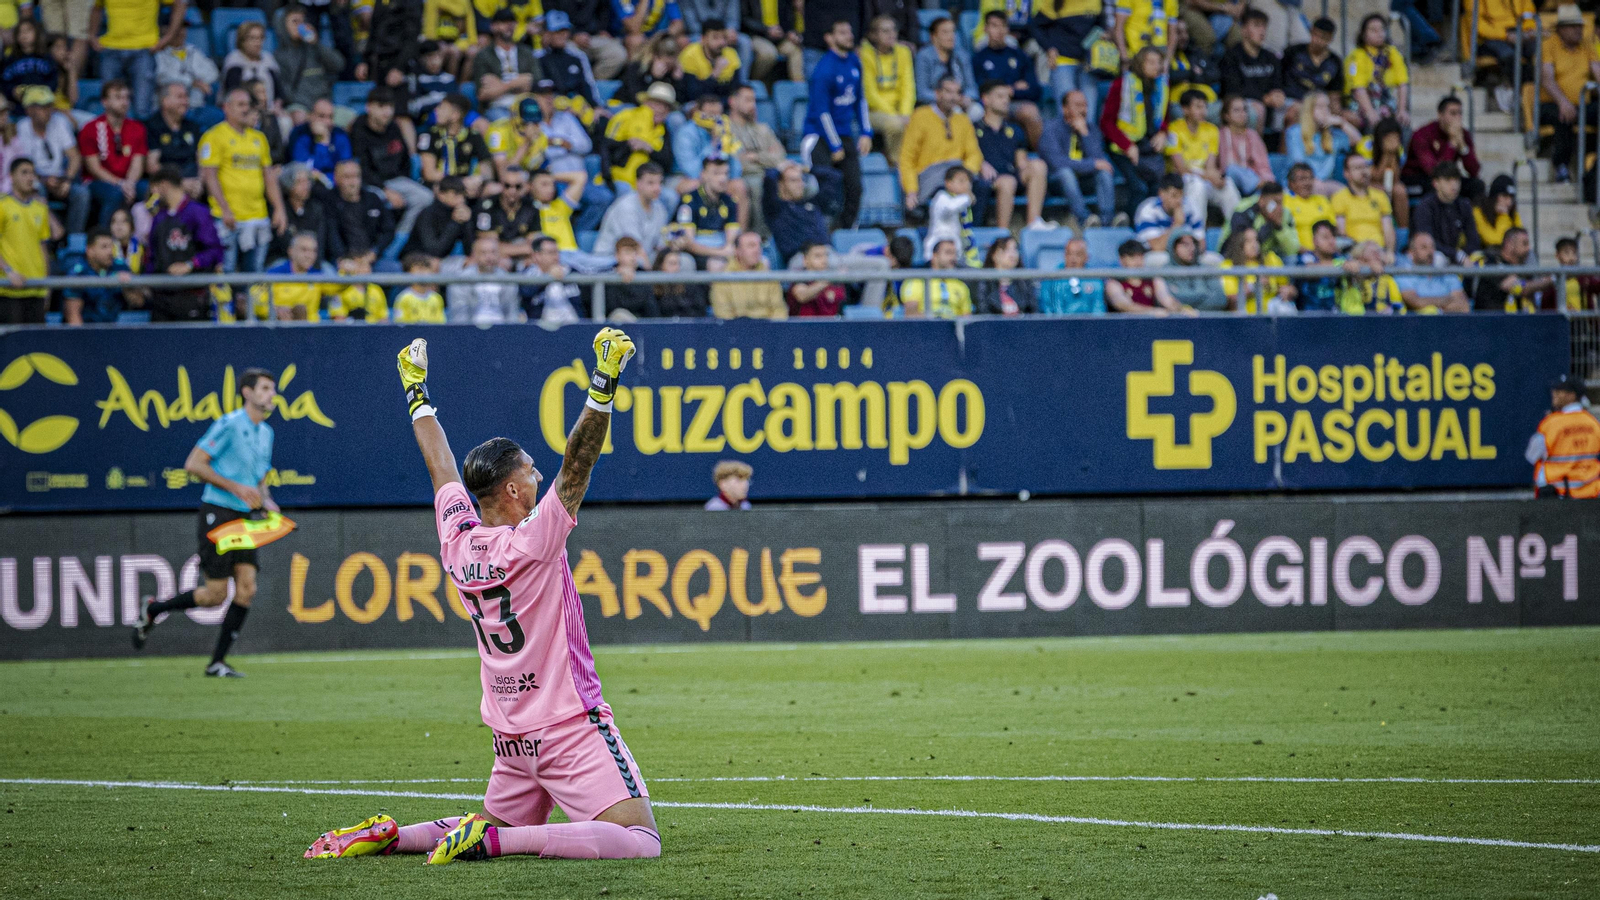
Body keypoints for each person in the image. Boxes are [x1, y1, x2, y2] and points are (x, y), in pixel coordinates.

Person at [306, 332, 662, 862]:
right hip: (567, 723)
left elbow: (440, 466)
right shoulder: (534, 540)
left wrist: (416, 391)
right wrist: (604, 381)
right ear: (514, 490)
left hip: (511, 736)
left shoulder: (457, 538)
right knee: (640, 841)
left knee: (491, 819)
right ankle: (498, 842)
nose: (539, 476)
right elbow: (578, 464)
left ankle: (396, 835)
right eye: (531, 471)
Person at [132, 367, 281, 678]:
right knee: (215, 595)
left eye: (273, 388)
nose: (272, 394)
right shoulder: (229, 425)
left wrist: (267, 502)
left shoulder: (266, 433)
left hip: (244, 518)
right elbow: (193, 464)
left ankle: (217, 662)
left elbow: (259, 479)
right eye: (265, 388)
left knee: (247, 589)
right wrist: (236, 488)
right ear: (247, 392)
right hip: (218, 512)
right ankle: (154, 609)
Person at [201, 88, 287, 279]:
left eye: (247, 104)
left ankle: (250, 301)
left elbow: (269, 177)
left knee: (255, 274)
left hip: (257, 216)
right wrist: (225, 209)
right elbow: (210, 177)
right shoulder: (214, 136)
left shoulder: (259, 138)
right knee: (226, 273)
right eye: (240, 105)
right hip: (227, 217)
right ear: (226, 107)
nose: (246, 109)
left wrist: (279, 208)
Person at [803, 19, 872, 229]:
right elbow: (821, 112)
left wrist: (866, 132)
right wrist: (835, 145)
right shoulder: (823, 70)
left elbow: (860, 100)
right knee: (823, 188)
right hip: (818, 136)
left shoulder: (854, 62)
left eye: (849, 32)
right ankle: (818, 231)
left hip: (844, 134)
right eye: (842, 32)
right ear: (829, 38)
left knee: (855, 187)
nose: (849, 36)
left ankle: (846, 231)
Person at [144, 164, 224, 322]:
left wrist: (190, 264)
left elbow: (214, 251)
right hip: (161, 298)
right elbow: (152, 255)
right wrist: (147, 280)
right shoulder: (159, 217)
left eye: (154, 188)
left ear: (164, 185)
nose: (152, 194)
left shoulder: (197, 212)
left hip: (192, 294)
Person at [1101, 45, 1172, 213]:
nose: (1156, 66)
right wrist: (1127, 146)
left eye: (1159, 62)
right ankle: (1132, 224)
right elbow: (1106, 123)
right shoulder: (1122, 85)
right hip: (1123, 148)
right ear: (1140, 63)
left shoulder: (1162, 86)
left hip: (1149, 147)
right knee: (1139, 188)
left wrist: (1163, 132)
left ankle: (1152, 223)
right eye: (1151, 62)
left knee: (1158, 188)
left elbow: (1164, 116)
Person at [975, 82, 1052, 231]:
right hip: (985, 179)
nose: (1006, 101)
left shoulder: (1015, 130)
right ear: (985, 99)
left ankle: (1034, 223)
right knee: (1007, 182)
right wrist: (980, 164)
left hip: (1011, 175)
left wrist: (1027, 167)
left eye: (1008, 97)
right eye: (1000, 96)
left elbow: (1020, 161)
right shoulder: (973, 127)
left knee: (1038, 165)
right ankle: (1002, 233)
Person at [900, 76, 983, 212]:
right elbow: (907, 158)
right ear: (937, 93)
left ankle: (972, 225)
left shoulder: (963, 120)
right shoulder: (920, 116)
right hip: (930, 174)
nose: (953, 97)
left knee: (982, 186)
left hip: (958, 170)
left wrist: (963, 176)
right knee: (948, 188)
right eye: (948, 92)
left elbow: (974, 154)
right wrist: (911, 190)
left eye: (957, 93)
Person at [1040, 90, 1118, 229]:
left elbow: (1100, 160)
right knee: (1066, 173)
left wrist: (1085, 134)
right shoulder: (1050, 129)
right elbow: (1057, 163)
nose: (1083, 110)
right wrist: (1092, 164)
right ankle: (1085, 219)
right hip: (1057, 182)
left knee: (1104, 172)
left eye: (1085, 105)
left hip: (1084, 180)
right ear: (1064, 109)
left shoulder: (1091, 129)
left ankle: (1108, 220)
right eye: (1077, 105)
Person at [1539, 4, 1600, 183]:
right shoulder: (1548, 45)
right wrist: (1563, 102)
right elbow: (1547, 79)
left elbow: (1597, 71)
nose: (1578, 30)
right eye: (1573, 26)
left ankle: (1595, 166)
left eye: (1580, 26)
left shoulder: (1586, 45)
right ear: (1561, 29)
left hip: (1582, 103)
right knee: (1564, 115)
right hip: (1552, 103)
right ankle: (1561, 166)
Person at [88, 0, 178, 121]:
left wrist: (169, 36)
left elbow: (179, 3)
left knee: (142, 110)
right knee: (111, 108)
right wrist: (92, 36)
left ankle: (141, 134)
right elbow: (96, 7)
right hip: (111, 49)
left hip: (143, 49)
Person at [16, 85, 87, 234]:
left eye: (49, 106)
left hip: (60, 178)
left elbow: (74, 156)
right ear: (30, 110)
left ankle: (72, 240)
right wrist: (43, 179)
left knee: (81, 194)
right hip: (36, 179)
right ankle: (46, 238)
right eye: (43, 107)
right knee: (36, 189)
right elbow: (22, 165)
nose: (48, 111)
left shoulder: (59, 122)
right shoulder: (22, 128)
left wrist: (67, 179)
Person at [78, 79, 148, 227]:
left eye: (126, 97)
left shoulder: (137, 128)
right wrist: (121, 184)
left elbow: (137, 163)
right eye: (118, 97)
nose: (124, 102)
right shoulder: (90, 128)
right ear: (104, 102)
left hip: (128, 181)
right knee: (115, 194)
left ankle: (147, 236)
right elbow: (94, 168)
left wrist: (129, 184)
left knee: (151, 190)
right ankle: (105, 236)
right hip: (97, 182)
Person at [972, 11, 1043, 147]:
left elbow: (1035, 90)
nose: (999, 30)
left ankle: (1039, 156)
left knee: (1031, 111)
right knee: (986, 110)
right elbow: (982, 88)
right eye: (994, 26)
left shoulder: (1020, 56)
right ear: (985, 28)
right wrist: (1012, 88)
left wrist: (1012, 92)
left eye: (1003, 26)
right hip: (990, 105)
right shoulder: (979, 58)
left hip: (1015, 104)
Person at [0, 158, 56, 325]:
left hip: (36, 288)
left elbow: (43, 247)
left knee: (36, 340)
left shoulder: (41, 208)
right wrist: (8, 271)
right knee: (13, 340)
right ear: (11, 176)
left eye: (32, 173)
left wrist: (47, 285)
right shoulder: (3, 206)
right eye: (24, 173)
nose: (30, 177)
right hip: (10, 289)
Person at [1525, 373, 1600, 498]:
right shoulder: (1593, 423)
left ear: (1572, 395)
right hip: (1590, 494)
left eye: (1560, 391)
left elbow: (1531, 455)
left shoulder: (1551, 423)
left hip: (1557, 495)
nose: (1554, 394)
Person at [1165, 88, 1232, 228]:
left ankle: (1237, 230)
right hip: (1182, 180)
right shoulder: (1173, 130)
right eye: (1198, 107)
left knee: (1228, 186)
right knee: (1197, 186)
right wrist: (1207, 176)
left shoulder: (1212, 130)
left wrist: (1216, 178)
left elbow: (1210, 167)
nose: (1203, 111)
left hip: (1204, 177)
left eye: (1205, 107)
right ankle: (1197, 232)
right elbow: (1181, 169)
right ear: (1185, 109)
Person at [727, 84, 787, 232]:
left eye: (754, 100)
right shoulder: (725, 129)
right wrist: (767, 157)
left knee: (808, 183)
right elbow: (737, 162)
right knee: (758, 184)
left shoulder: (762, 128)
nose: (752, 105)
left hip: (768, 172)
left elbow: (780, 156)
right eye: (747, 100)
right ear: (732, 102)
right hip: (744, 176)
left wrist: (755, 156)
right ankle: (759, 236)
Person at [276, 4, 345, 125]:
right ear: (283, 25)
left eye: (302, 22)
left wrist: (316, 43)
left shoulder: (315, 48)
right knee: (299, 117)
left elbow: (339, 65)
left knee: (350, 118)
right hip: (300, 106)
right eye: (295, 22)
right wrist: (311, 108)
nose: (300, 26)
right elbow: (284, 90)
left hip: (324, 104)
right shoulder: (279, 56)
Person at [1401, 96, 1482, 201]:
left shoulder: (1462, 134)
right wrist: (1452, 144)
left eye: (1460, 113)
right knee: (1436, 185)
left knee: (1476, 185)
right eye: (1453, 113)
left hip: (1446, 179)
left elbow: (1474, 171)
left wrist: (1463, 147)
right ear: (1440, 115)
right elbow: (1434, 171)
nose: (1457, 118)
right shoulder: (1422, 134)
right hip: (1418, 177)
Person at [1032, 0, 1102, 120]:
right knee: (1067, 114)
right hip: (1063, 61)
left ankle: (1085, 133)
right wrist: (1049, 48)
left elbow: (1100, 25)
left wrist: (1101, 36)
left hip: (1088, 64)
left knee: (1089, 114)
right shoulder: (1054, 2)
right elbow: (1036, 26)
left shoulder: (1095, 2)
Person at [860, 15, 916, 163]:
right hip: (874, 111)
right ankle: (897, 162)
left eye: (893, 30)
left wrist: (905, 112)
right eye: (885, 31)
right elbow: (869, 94)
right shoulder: (865, 55)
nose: (891, 34)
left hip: (900, 111)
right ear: (873, 35)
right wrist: (895, 115)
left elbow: (908, 86)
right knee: (895, 125)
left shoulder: (903, 52)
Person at [1219, 9, 1283, 133]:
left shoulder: (1270, 57)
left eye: (1264, 26)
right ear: (1243, 30)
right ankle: (1254, 145)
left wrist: (1278, 93)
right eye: (1256, 25)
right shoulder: (1231, 56)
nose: (1262, 31)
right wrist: (1263, 98)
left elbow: (1277, 83)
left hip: (1270, 103)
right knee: (1258, 109)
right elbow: (1232, 89)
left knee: (1295, 109)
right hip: (1242, 102)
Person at [604, 81, 676, 191]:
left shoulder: (664, 131)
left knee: (671, 197)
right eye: (657, 104)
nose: (661, 109)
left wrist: (649, 149)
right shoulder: (625, 116)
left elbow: (667, 163)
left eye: (666, 106)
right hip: (619, 179)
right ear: (646, 102)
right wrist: (628, 144)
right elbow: (606, 148)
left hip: (650, 185)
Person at [60, 225, 137, 324]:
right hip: (87, 329)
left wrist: (128, 287)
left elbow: (138, 302)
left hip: (115, 329)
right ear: (90, 250)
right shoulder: (78, 273)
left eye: (111, 246)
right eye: (104, 247)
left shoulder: (120, 267)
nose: (110, 252)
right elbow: (73, 315)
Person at [419, 94, 493, 197]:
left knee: (493, 189)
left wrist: (478, 180)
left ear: (455, 115)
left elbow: (487, 171)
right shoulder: (430, 135)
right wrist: (460, 182)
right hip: (439, 185)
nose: (436, 110)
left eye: (442, 108)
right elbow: (429, 174)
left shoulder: (473, 136)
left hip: (466, 187)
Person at [673, 155, 742, 267]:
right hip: (697, 254)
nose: (723, 179)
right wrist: (720, 253)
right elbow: (689, 243)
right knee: (716, 264)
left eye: (726, 173)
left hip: (722, 250)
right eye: (716, 173)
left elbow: (731, 239)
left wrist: (728, 249)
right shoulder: (690, 201)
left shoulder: (730, 201)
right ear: (703, 175)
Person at [1345, 13, 1409, 131]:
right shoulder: (1357, 55)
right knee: (1372, 124)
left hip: (1385, 102)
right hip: (1361, 103)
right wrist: (1370, 112)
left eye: (1382, 29)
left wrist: (1402, 110)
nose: (1379, 34)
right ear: (1363, 34)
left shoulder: (1392, 52)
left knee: (1402, 124)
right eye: (1373, 30)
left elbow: (1402, 83)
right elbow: (1358, 88)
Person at [595, 161, 673, 258]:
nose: (657, 188)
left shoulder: (660, 208)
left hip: (641, 259)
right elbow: (635, 248)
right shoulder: (626, 207)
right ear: (638, 183)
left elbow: (660, 246)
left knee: (683, 260)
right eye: (651, 183)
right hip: (610, 260)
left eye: (660, 183)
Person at [252, 231, 336, 320]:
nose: (309, 255)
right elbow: (254, 300)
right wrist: (274, 310)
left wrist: (345, 271)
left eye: (313, 251)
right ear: (291, 251)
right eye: (304, 250)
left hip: (310, 327)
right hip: (279, 326)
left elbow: (339, 288)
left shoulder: (317, 276)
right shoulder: (275, 274)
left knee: (300, 310)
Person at [444, 234, 523, 324]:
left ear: (499, 255)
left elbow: (511, 315)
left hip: (502, 329)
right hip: (471, 329)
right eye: (483, 253)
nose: (489, 257)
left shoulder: (508, 280)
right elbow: (459, 317)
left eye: (493, 252)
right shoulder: (461, 280)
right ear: (474, 255)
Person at [1412, 162, 1481, 264]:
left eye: (1456, 180)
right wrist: (1457, 255)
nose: (1454, 185)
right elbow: (1427, 242)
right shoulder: (1425, 206)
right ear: (1435, 183)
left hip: (1458, 255)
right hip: (1435, 254)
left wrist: (1464, 254)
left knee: (1479, 257)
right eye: (1448, 180)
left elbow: (1473, 239)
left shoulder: (1464, 205)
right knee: (1438, 259)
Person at [272, 163, 339, 265]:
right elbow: (282, 242)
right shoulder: (281, 210)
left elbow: (320, 241)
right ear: (288, 184)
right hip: (286, 260)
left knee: (329, 272)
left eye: (307, 181)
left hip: (313, 261)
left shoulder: (316, 209)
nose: (305, 186)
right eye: (299, 182)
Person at [763, 161, 829, 265]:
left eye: (801, 179)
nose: (800, 184)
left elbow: (834, 177)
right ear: (781, 185)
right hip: (800, 257)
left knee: (857, 262)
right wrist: (780, 168)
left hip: (827, 253)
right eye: (793, 180)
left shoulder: (812, 203)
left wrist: (807, 169)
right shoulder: (776, 208)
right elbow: (769, 180)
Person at [330, 159, 396, 261]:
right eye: (347, 177)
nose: (352, 182)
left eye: (356, 176)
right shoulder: (329, 201)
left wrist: (374, 252)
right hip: (342, 258)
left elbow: (388, 230)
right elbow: (331, 235)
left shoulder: (373, 199)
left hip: (372, 256)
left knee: (394, 268)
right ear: (336, 178)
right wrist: (342, 257)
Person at [144, 82, 203, 198]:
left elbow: (201, 160)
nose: (185, 102)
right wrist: (179, 182)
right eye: (180, 97)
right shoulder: (152, 126)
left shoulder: (193, 127)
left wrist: (200, 182)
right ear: (165, 101)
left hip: (193, 180)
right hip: (165, 180)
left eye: (186, 97)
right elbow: (152, 166)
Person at [711, 229, 786, 318]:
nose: (757, 250)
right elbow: (723, 314)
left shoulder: (769, 276)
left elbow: (779, 311)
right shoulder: (723, 278)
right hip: (735, 325)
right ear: (737, 250)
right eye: (751, 245)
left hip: (766, 325)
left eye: (759, 245)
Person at [1473, 226, 1550, 312]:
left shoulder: (1524, 268)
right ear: (1509, 244)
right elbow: (1520, 288)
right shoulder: (1493, 263)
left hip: (1518, 318)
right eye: (1524, 243)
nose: (1528, 248)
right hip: (1492, 318)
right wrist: (1551, 280)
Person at [1332, 153, 1396, 256]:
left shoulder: (1380, 196)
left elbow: (1388, 229)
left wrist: (1390, 252)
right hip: (1354, 252)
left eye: (1365, 167)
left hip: (1379, 251)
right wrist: (1362, 250)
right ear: (1346, 173)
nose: (1363, 171)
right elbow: (1341, 232)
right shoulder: (1339, 198)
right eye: (1357, 168)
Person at [1293, 219, 1364, 312]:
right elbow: (1310, 269)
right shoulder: (1307, 257)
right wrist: (1341, 265)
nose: (1331, 241)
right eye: (1325, 237)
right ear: (1314, 240)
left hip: (1336, 315)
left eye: (1333, 236)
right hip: (1310, 315)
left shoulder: (1341, 258)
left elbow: (1356, 269)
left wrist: (1356, 265)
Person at [1280, 17, 1342, 122]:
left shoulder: (1335, 62)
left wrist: (1336, 112)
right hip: (1290, 100)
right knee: (1295, 111)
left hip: (1319, 105)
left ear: (1331, 38)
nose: (1317, 40)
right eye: (1315, 35)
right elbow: (1278, 78)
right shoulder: (1293, 52)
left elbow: (1334, 95)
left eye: (1323, 37)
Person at [1391, 231, 1471, 312]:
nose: (1430, 252)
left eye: (1432, 247)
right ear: (1411, 252)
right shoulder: (1404, 274)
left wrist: (1434, 308)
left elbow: (1464, 306)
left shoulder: (1447, 273)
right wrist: (1447, 301)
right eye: (1424, 247)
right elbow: (1416, 302)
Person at [1107, 239, 1192, 314]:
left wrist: (1182, 309)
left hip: (1150, 324)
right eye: (1132, 257)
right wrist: (1151, 312)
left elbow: (1166, 299)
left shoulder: (1152, 279)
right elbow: (1123, 305)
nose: (1138, 262)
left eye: (1140, 257)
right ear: (1121, 260)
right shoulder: (1113, 283)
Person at [402, 175, 477, 260]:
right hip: (416, 259)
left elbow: (469, 250)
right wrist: (455, 223)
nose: (461, 199)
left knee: (472, 263)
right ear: (441, 194)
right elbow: (434, 251)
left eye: (463, 195)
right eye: (456, 194)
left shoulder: (459, 212)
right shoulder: (427, 214)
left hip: (443, 260)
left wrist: (467, 222)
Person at [1216, 94, 1272, 208]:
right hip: (1226, 180)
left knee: (1268, 199)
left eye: (1244, 110)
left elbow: (1263, 165)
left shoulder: (1252, 135)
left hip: (1252, 181)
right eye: (1237, 110)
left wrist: (1266, 180)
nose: (1242, 114)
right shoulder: (1218, 135)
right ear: (1226, 115)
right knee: (1232, 169)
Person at [1219, 226, 1292, 313]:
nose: (1254, 245)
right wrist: (1253, 286)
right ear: (1239, 244)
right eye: (1249, 241)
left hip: (1272, 313)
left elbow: (1289, 288)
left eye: (1256, 240)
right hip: (1244, 316)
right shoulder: (1228, 266)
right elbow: (1230, 300)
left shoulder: (1271, 259)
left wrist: (1288, 292)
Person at [538, 10, 601, 109]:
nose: (562, 35)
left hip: (579, 106)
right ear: (547, 33)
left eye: (565, 31)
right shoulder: (538, 58)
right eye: (557, 31)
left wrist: (596, 107)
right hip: (552, 107)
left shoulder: (578, 56)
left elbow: (588, 85)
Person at [1223, 179, 1299, 260]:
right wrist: (1269, 224)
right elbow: (1240, 243)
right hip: (1235, 255)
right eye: (1275, 202)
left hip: (1265, 256)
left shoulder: (1285, 213)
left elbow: (1293, 249)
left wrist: (1278, 226)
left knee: (1290, 258)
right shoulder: (1243, 209)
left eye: (1280, 202)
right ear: (1261, 201)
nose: (1278, 207)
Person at [286, 98, 354, 188]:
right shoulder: (299, 134)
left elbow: (345, 167)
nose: (327, 122)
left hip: (336, 186)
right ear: (310, 116)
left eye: (330, 117)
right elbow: (301, 168)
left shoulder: (340, 135)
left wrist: (324, 140)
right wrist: (322, 144)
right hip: (307, 187)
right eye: (321, 116)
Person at [915, 15, 977, 110]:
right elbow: (922, 92)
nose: (951, 36)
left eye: (953, 31)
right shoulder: (924, 56)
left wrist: (964, 98)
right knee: (955, 111)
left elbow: (972, 89)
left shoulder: (962, 55)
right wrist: (945, 98)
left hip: (959, 101)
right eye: (945, 32)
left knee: (977, 111)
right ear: (933, 36)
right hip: (933, 103)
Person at [899, 238, 972, 318]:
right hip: (926, 325)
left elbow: (966, 318)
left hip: (954, 325)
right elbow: (911, 314)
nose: (953, 258)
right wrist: (936, 321)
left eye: (955, 254)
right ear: (935, 256)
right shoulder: (917, 281)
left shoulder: (961, 286)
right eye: (948, 252)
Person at [1134, 173, 1202, 257]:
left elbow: (1201, 244)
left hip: (1185, 254)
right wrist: (1177, 224)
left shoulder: (1191, 207)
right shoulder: (1149, 210)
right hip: (1152, 255)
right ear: (1161, 193)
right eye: (1174, 196)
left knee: (1210, 259)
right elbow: (1157, 247)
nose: (1179, 200)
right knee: (1161, 257)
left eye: (1181, 195)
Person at [154, 20, 218, 110]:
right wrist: (191, 82)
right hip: (170, 107)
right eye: (177, 28)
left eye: (183, 28)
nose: (181, 32)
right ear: (165, 30)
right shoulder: (158, 53)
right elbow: (162, 77)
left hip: (197, 105)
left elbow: (213, 73)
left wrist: (198, 81)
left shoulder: (193, 50)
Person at [221, 22, 283, 115]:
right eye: (252, 38)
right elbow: (233, 91)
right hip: (243, 111)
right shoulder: (234, 60)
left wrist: (277, 106)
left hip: (270, 109)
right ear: (242, 41)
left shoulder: (268, 59)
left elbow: (279, 91)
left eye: (260, 38)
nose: (258, 43)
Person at [677, 16, 741, 102]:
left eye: (724, 37)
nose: (721, 42)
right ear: (703, 39)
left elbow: (736, 90)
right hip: (697, 103)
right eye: (715, 37)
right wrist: (715, 73)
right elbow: (692, 94)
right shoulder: (690, 55)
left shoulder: (731, 54)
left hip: (723, 103)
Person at [925, 164, 978, 265]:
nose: (967, 185)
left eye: (968, 181)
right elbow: (950, 208)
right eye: (961, 181)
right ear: (948, 183)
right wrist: (967, 198)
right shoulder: (941, 197)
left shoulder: (962, 202)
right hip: (937, 247)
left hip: (955, 249)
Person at [1037, 237, 1105, 314]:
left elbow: (1098, 310)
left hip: (1088, 321)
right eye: (1069, 254)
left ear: (1087, 257)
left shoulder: (1095, 280)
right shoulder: (1051, 279)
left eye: (1078, 255)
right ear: (1064, 255)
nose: (1073, 259)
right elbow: (1048, 310)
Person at [526, 234, 583, 324]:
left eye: (557, 252)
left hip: (574, 325)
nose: (556, 257)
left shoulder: (571, 272)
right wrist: (548, 278)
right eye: (551, 253)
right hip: (541, 327)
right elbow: (526, 293)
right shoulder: (529, 274)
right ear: (537, 256)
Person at [973, 235, 1037, 315]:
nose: (1013, 254)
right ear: (994, 255)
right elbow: (983, 311)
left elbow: (1032, 311)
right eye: (1006, 249)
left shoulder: (1025, 282)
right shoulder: (984, 282)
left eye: (1015, 249)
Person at [1164, 230, 1228, 311]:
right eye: (1185, 244)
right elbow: (1165, 301)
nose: (1192, 248)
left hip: (1206, 317)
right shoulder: (1163, 272)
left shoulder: (1207, 270)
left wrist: (1191, 310)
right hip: (1176, 318)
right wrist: (1202, 294)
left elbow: (1220, 300)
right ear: (1173, 247)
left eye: (1193, 244)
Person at [740, 0, 802, 82]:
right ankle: (754, 84)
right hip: (757, 36)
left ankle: (799, 86)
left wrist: (788, 32)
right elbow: (744, 20)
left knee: (795, 50)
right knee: (768, 54)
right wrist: (766, 30)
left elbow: (787, 17)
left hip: (779, 38)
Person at [528, 168, 587, 253]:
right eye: (544, 184)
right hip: (550, 255)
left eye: (552, 184)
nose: (550, 189)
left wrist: (551, 176)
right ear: (530, 186)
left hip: (573, 253)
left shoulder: (561, 206)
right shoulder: (526, 211)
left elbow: (580, 177)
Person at [786, 241, 847, 316]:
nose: (824, 260)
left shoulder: (836, 282)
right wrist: (828, 280)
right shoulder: (800, 278)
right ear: (805, 260)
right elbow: (802, 296)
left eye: (826, 255)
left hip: (832, 322)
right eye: (818, 256)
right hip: (805, 323)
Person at [1283, 163, 1334, 251]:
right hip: (1298, 253)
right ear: (1291, 183)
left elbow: (1332, 229)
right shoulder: (1285, 201)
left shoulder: (1322, 200)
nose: (1307, 183)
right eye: (1302, 179)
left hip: (1325, 252)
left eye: (1310, 178)